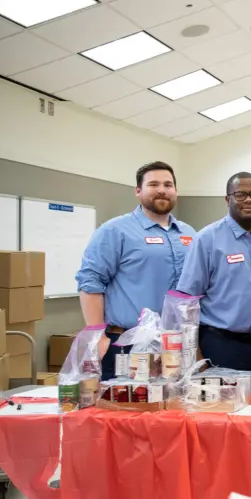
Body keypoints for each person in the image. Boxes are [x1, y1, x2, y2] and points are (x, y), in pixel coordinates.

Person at [76, 162, 196, 380]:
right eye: (153, 184)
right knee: (127, 410)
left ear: (176, 191)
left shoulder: (189, 234)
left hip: (176, 346)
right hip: (128, 345)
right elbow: (90, 282)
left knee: (175, 410)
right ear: (138, 191)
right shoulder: (114, 231)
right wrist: (97, 335)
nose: (162, 189)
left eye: (168, 185)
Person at [176, 172, 251, 387]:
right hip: (222, 345)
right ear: (228, 199)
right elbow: (187, 301)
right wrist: (195, 355)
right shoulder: (207, 240)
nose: (249, 200)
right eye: (241, 194)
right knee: (225, 415)